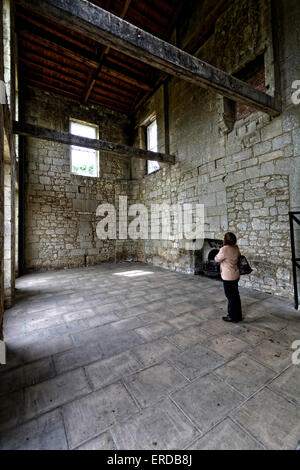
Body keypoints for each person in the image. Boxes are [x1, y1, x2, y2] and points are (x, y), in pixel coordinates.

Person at [215, 232, 242, 323]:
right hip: (236, 274)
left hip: (228, 277)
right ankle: (238, 315)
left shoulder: (224, 249)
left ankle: (232, 316)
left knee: (230, 297)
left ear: (226, 239)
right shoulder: (236, 247)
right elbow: (238, 256)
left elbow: (217, 259)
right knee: (236, 296)